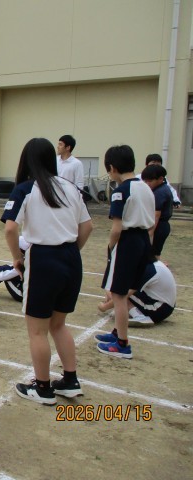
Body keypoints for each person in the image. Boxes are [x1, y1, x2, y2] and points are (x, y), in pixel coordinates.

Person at [1, 137, 93, 405]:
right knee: (58, 324)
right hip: (71, 258)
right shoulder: (70, 187)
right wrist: (71, 250)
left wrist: (17, 258)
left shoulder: (26, 189)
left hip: (43, 259)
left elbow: (10, 228)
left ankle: (42, 387)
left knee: (37, 330)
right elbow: (87, 227)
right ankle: (70, 380)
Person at [97, 145, 155, 359]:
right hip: (143, 240)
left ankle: (122, 344)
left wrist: (111, 247)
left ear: (112, 168)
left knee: (118, 294)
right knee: (125, 289)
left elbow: (117, 228)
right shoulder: (145, 187)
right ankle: (117, 333)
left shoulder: (121, 191)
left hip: (127, 241)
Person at [96, 255, 176, 328]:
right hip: (164, 305)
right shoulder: (152, 264)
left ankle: (139, 316)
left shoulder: (148, 270)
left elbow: (123, 295)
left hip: (159, 310)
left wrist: (104, 307)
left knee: (120, 292)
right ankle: (136, 311)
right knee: (116, 289)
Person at [141, 164, 173, 261]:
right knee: (155, 252)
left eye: (150, 181)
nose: (147, 183)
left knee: (153, 254)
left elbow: (156, 215)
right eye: (145, 181)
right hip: (161, 225)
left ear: (160, 179)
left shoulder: (160, 192)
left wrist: (150, 233)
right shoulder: (163, 188)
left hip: (158, 226)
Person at [0, 237, 31, 302]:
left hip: (25, 295)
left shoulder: (25, 263)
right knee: (8, 269)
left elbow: (4, 275)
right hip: (43, 293)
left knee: (7, 274)